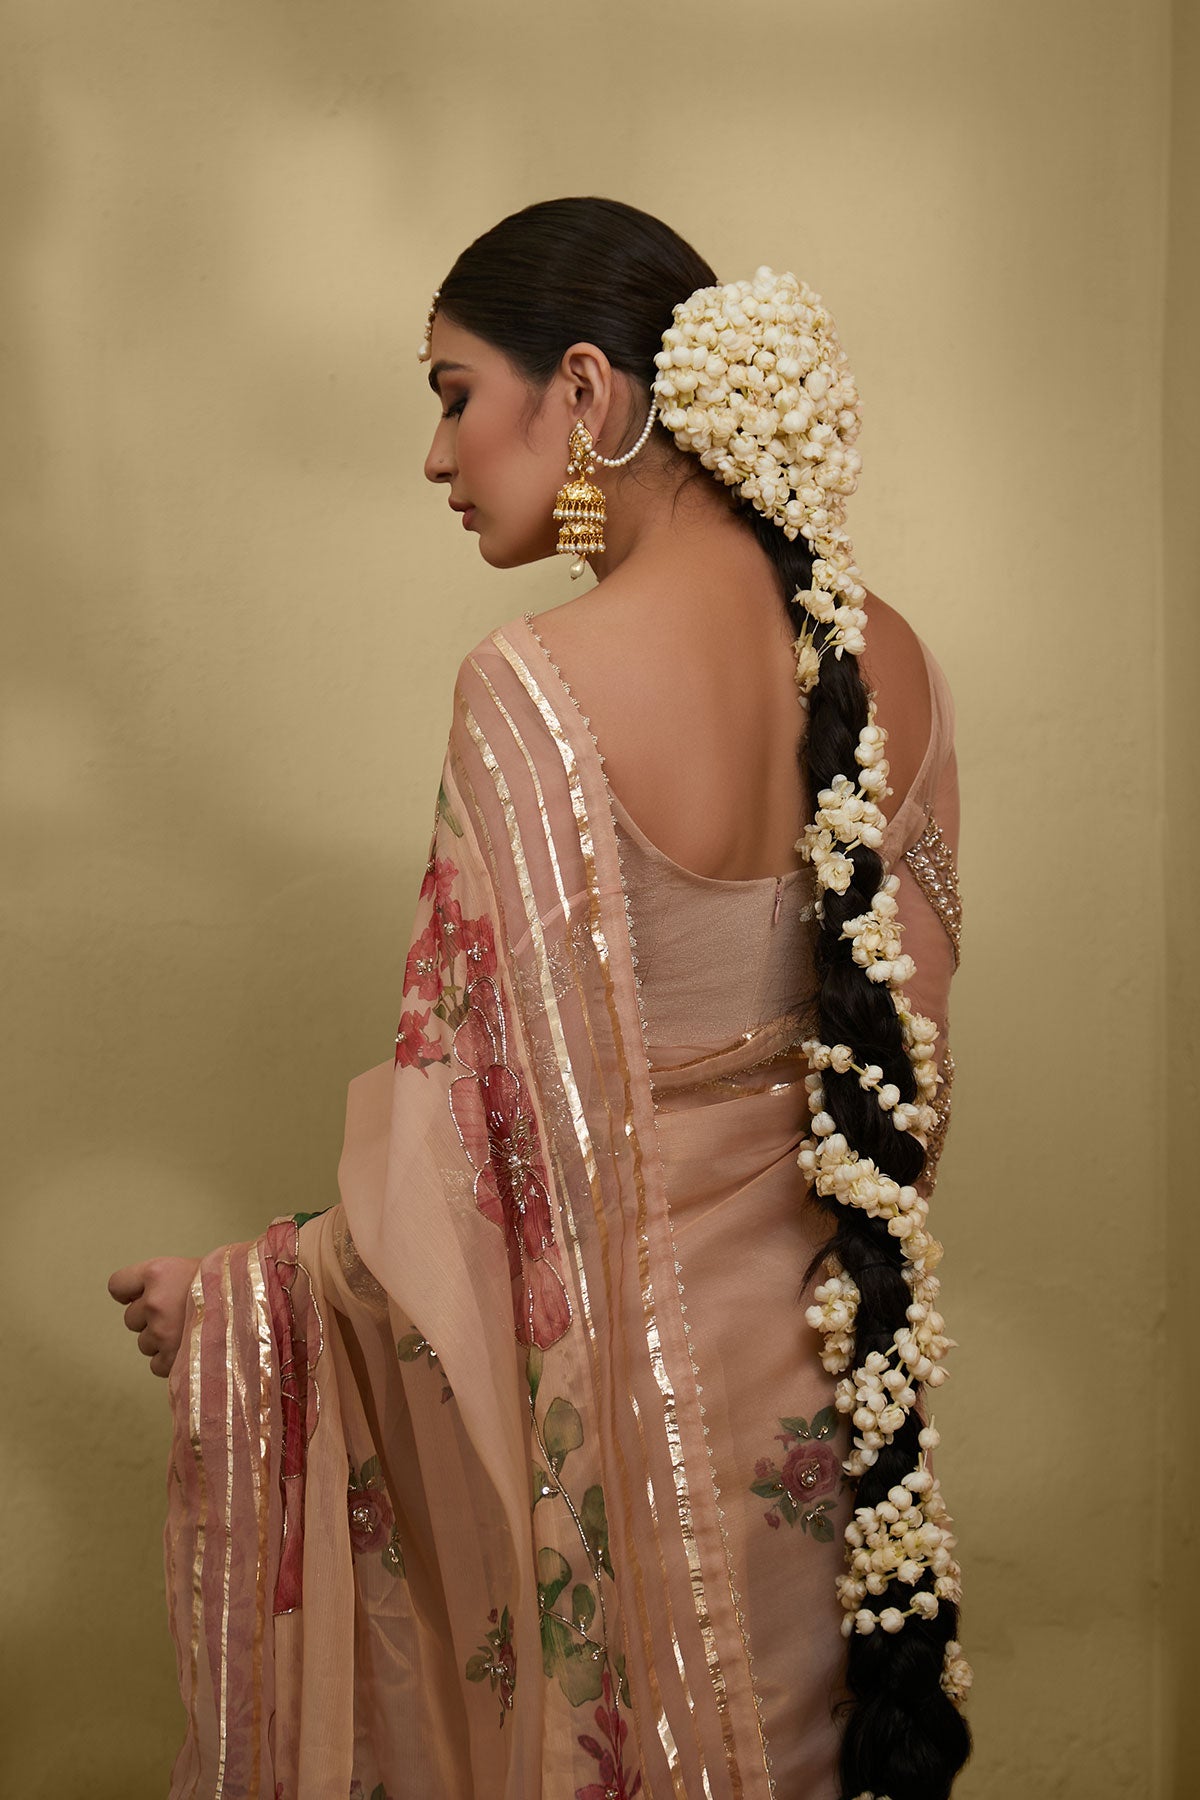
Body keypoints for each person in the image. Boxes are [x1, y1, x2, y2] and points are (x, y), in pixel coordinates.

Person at [109, 197, 970, 1800]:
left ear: (583, 393)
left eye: (451, 394)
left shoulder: (535, 692)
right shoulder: (892, 661)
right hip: (838, 1439)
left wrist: (251, 1294)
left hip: (645, 1468)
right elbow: (909, 1101)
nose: (438, 457)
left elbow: (471, 1164)